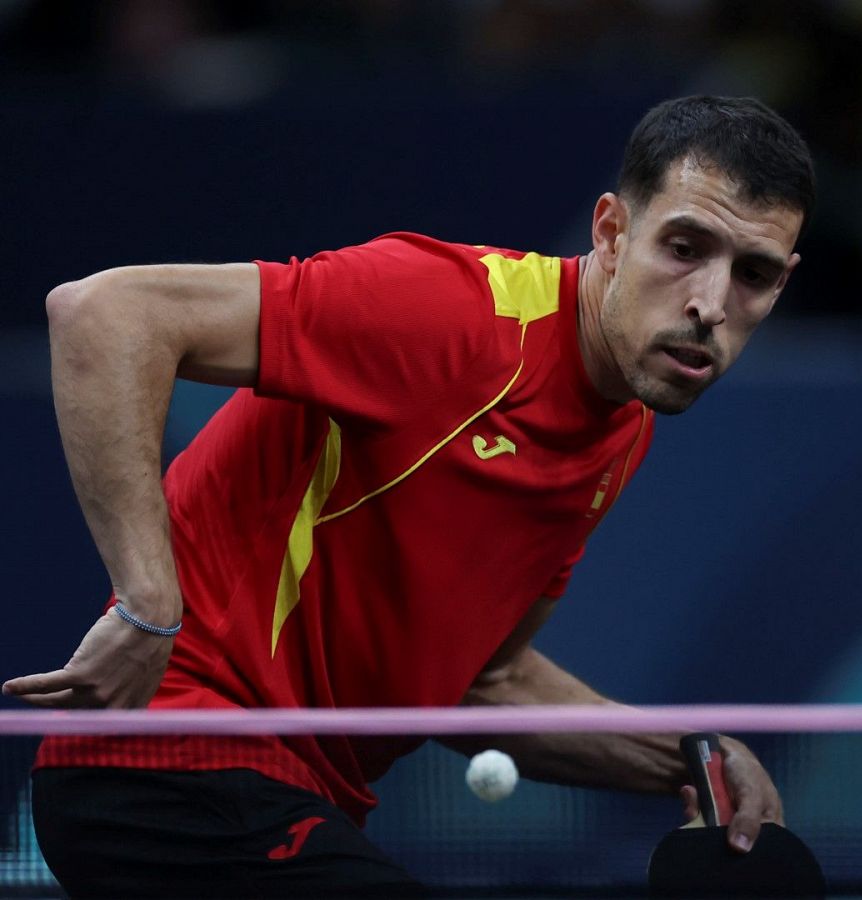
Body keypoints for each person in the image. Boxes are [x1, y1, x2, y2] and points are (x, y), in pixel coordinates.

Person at [3, 95, 814, 897]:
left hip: (276, 801)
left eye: (754, 274)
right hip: (166, 762)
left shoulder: (622, 427)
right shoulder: (452, 314)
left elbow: (485, 683)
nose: (712, 303)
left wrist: (689, 752)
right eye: (684, 247)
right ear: (611, 232)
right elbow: (106, 314)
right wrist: (148, 600)